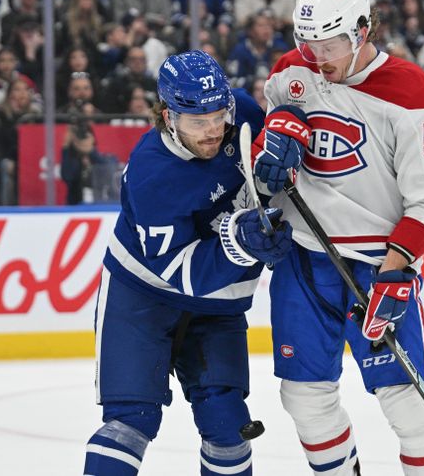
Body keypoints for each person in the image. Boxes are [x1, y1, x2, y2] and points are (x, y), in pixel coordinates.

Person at [255, 0, 424, 476]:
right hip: (304, 258)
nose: (319, 57)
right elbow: (265, 167)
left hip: (376, 263)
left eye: (331, 43)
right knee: (303, 398)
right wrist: (270, 149)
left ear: (363, 30)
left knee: (409, 405)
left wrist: (395, 270)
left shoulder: (413, 95)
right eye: (308, 43)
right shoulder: (289, 75)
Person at [83, 50, 294, 476]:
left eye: (219, 116)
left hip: (218, 306)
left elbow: (281, 133)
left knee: (227, 422)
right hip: (140, 296)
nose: (214, 130)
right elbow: (182, 273)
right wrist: (243, 241)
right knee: (131, 421)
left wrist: (290, 146)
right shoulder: (150, 175)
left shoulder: (243, 115)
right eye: (199, 122)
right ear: (168, 116)